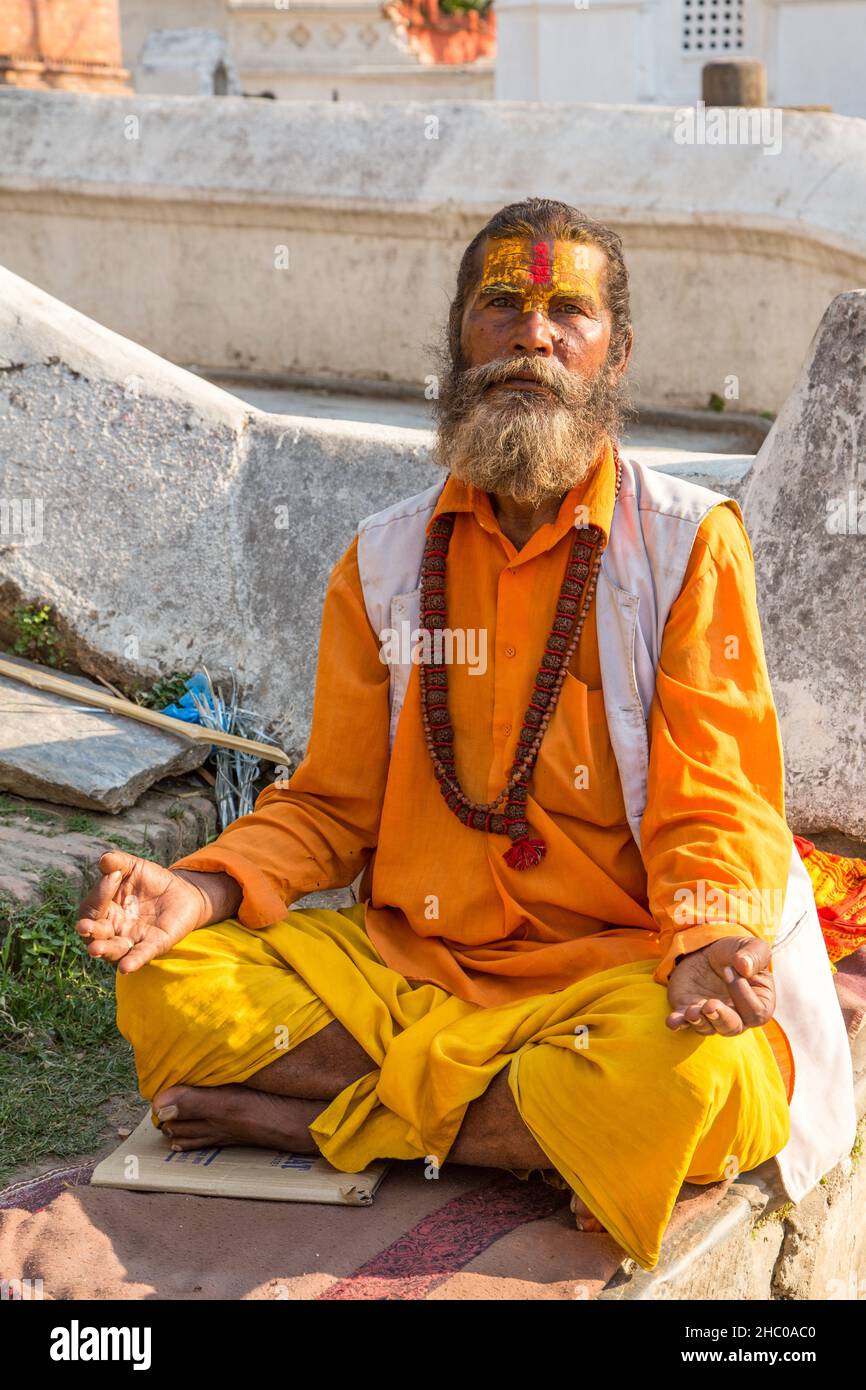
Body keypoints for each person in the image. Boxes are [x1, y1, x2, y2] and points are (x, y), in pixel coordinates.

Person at [76, 197, 855, 1272]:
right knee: (167, 985)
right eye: (501, 304)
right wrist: (200, 888)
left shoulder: (683, 546)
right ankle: (516, 1137)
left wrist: (705, 947)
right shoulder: (385, 561)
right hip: (407, 969)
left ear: (612, 355)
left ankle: (320, 1122)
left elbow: (714, 802)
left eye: (564, 312)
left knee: (706, 1086)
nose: (531, 334)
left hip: (611, 976)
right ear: (458, 341)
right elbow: (330, 803)